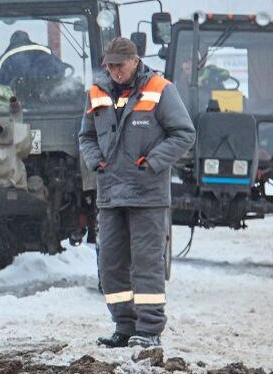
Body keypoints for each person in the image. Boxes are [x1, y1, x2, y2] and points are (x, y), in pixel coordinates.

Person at [79, 37, 195, 348]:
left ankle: (150, 330)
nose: (115, 71)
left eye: (120, 64)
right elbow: (86, 136)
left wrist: (153, 162)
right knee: (111, 264)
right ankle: (124, 327)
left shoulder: (160, 89)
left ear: (135, 60)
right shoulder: (96, 93)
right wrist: (95, 162)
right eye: (111, 65)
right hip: (111, 193)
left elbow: (184, 133)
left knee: (146, 263)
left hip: (147, 195)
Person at [0, 31, 66, 87]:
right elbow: (59, 69)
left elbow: (1, 86)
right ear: (27, 39)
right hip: (50, 98)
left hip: (17, 100)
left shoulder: (4, 60)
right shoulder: (43, 50)